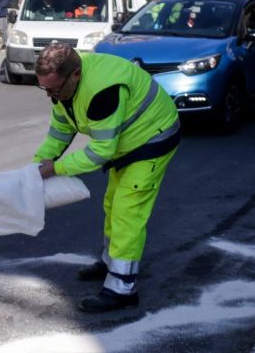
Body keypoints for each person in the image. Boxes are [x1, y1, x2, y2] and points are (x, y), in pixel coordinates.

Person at [33, 43, 179, 313]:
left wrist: (56, 169)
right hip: (126, 142)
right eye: (45, 89)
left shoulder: (103, 90)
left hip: (151, 139)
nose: (50, 96)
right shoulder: (65, 88)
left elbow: (101, 151)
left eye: (54, 89)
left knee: (127, 212)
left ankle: (122, 288)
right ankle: (111, 261)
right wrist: (37, 164)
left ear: (75, 74)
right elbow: (61, 129)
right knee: (112, 204)